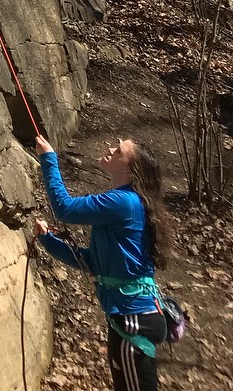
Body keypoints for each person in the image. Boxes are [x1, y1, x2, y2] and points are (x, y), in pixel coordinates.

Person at [33, 134, 174, 391]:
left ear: (130, 170)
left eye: (119, 150)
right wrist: (49, 241)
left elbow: (65, 208)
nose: (111, 148)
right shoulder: (127, 201)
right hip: (131, 316)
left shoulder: (123, 202)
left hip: (133, 319)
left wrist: (49, 158)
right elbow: (95, 264)